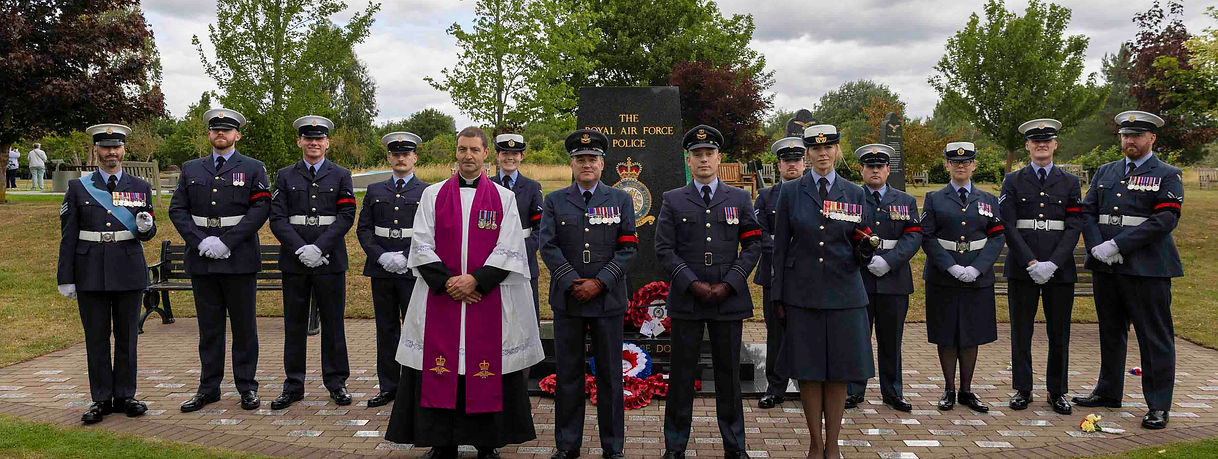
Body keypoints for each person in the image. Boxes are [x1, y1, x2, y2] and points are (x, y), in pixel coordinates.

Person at [386, 126, 544, 459]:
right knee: (442, 368)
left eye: (474, 149)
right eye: (462, 149)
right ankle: (443, 443)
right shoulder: (433, 194)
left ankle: (487, 443)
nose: (468, 156)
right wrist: (449, 283)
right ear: (455, 153)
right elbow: (421, 245)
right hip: (440, 299)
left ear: (487, 153)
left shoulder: (505, 198)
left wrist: (476, 281)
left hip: (487, 298)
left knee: (485, 368)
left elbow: (511, 247)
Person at [656, 125, 762, 459]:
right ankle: (675, 447)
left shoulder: (740, 198)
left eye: (709, 154)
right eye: (697, 154)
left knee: (728, 376)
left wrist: (731, 282)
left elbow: (753, 244)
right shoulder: (673, 199)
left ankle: (735, 447)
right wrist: (692, 283)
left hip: (727, 299)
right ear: (688, 160)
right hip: (688, 299)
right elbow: (664, 248)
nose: (703, 159)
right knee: (682, 376)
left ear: (719, 158)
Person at [1073, 111, 1184, 430]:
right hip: (1106, 267)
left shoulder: (1166, 174)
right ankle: (1108, 391)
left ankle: (1159, 405)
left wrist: (1118, 245)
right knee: (1110, 331)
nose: (1130, 140)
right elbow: (1088, 211)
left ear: (1152, 139)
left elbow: (1164, 220)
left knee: (1154, 337)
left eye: (1137, 135)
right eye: (1125, 135)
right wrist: (1096, 246)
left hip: (1147, 268)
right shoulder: (1105, 172)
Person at [771, 125, 876, 458]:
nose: (822, 154)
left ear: (836, 150)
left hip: (844, 293)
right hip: (802, 294)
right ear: (807, 154)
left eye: (828, 148)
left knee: (840, 371)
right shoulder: (790, 192)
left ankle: (833, 445)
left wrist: (865, 249)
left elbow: (861, 237)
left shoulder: (854, 193)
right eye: (815, 150)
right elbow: (780, 248)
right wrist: (778, 295)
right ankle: (815, 442)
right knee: (809, 371)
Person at [540, 129, 637, 459]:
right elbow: (548, 246)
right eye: (580, 159)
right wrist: (571, 281)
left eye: (592, 159)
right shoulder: (554, 201)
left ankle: (613, 446)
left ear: (602, 163)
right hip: (568, 300)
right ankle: (568, 445)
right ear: (571, 163)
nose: (586, 164)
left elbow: (628, 248)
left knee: (611, 375)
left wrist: (600, 282)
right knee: (568, 375)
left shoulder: (620, 199)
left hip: (607, 300)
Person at [169, 108, 270, 412]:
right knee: (209, 328)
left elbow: (260, 210)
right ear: (210, 134)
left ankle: (247, 387)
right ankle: (208, 387)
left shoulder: (253, 168)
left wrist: (226, 242)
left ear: (237, 134)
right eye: (216, 130)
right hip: (203, 259)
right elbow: (178, 210)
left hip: (238, 258)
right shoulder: (191, 169)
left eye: (227, 130)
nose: (221, 134)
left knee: (244, 328)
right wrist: (201, 242)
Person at [56, 123, 157, 423]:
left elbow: (146, 232)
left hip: (127, 268)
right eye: (105, 147)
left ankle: (126, 395)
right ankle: (100, 399)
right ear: (97, 151)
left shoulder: (140, 187)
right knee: (96, 338)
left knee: (127, 336)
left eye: (116, 147)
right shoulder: (78, 187)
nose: (111, 152)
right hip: (90, 271)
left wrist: (146, 228)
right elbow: (68, 235)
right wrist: (66, 277)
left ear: (124, 150)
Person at [268, 115, 357, 409]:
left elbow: (346, 216)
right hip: (295, 262)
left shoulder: (341, 175)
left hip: (329, 260)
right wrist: (300, 249)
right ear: (300, 142)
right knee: (294, 325)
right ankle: (293, 385)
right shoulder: (285, 175)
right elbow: (277, 218)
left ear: (327, 143)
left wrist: (318, 248)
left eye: (319, 139)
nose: (314, 143)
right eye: (308, 139)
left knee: (333, 324)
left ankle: (336, 382)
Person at [998, 119, 1082, 415]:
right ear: (1028, 146)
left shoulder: (1070, 182)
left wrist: (1054, 263)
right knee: (1021, 331)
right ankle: (1023, 388)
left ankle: (1057, 391)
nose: (1041, 145)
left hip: (1060, 269)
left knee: (1059, 332)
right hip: (1024, 268)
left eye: (1047, 141)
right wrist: (1032, 262)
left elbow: (1073, 225)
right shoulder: (1013, 180)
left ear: (1055, 145)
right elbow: (1008, 224)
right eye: (1036, 141)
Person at [920, 142, 1006, 413]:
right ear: (947, 165)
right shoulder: (934, 198)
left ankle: (967, 390)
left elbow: (997, 236)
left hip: (977, 277)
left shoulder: (989, 199)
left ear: (974, 166)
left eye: (966, 162)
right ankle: (949, 389)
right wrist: (950, 266)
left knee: (971, 334)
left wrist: (978, 268)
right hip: (943, 277)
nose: (960, 166)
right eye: (955, 162)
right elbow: (927, 236)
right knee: (947, 333)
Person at [846, 144, 922, 413]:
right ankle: (854, 391)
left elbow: (913, 235)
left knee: (892, 340)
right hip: (860, 278)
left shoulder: (905, 200)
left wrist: (888, 262)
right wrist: (867, 260)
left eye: (880, 166)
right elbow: (845, 234)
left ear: (888, 170)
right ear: (862, 170)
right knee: (858, 337)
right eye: (870, 166)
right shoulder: (852, 197)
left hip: (894, 278)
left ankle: (892, 391)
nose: (875, 170)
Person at [356, 132, 430, 408]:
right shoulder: (376, 190)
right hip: (382, 270)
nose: (400, 158)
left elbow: (431, 233)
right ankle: (389, 386)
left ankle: (416, 386)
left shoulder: (427, 191)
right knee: (386, 331)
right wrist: (381, 256)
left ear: (415, 158)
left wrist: (407, 257)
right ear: (389, 157)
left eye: (405, 154)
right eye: (395, 154)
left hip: (413, 271)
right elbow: (364, 229)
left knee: (416, 330)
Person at [752, 137, 806, 410]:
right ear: (780, 165)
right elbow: (758, 233)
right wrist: (788, 247)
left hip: (807, 275)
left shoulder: (812, 194)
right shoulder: (766, 197)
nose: (792, 165)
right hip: (774, 273)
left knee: (808, 331)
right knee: (776, 333)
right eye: (787, 161)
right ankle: (775, 387)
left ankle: (807, 383)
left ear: (803, 163)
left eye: (797, 160)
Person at [489, 133, 544, 318]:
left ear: (522, 156)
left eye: (515, 153)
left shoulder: (532, 187)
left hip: (525, 260)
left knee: (526, 317)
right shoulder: (487, 186)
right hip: (493, 260)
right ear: (497, 156)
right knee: (496, 317)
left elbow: (540, 229)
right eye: (504, 153)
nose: (510, 158)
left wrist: (522, 251)